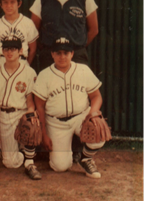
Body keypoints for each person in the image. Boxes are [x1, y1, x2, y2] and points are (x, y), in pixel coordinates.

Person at [28, 0, 99, 163]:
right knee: (50, 98)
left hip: (76, 54)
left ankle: (79, 147)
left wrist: (78, 47)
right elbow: (33, 30)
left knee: (79, 98)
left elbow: (93, 29)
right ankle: (49, 141)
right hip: (50, 54)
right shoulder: (42, 0)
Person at [33, 36, 106, 178]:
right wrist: (44, 134)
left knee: (98, 131)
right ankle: (68, 154)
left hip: (81, 117)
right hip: (56, 123)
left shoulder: (83, 70)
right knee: (60, 166)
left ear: (72, 54)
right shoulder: (44, 75)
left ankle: (86, 158)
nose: (62, 56)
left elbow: (96, 97)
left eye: (66, 53)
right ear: (52, 54)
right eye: (58, 53)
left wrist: (92, 114)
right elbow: (40, 107)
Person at [0, 36, 42, 180]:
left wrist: (30, 114)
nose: (10, 52)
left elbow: (30, 101)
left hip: (21, 113)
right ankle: (23, 151)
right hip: (3, 116)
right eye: (7, 49)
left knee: (30, 123)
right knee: (10, 163)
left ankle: (29, 161)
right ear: (2, 51)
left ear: (20, 51)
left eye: (14, 49)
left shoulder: (29, 72)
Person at [29, 0, 99, 69]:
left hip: (77, 55)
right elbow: (32, 31)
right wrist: (46, 48)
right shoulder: (42, 0)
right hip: (50, 56)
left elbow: (94, 29)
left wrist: (78, 45)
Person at [0, 0, 38, 70]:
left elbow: (33, 49)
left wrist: (26, 65)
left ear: (19, 3)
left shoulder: (27, 23)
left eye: (12, 2)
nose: (8, 6)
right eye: (5, 2)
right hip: (1, 62)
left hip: (21, 62)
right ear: (0, 4)